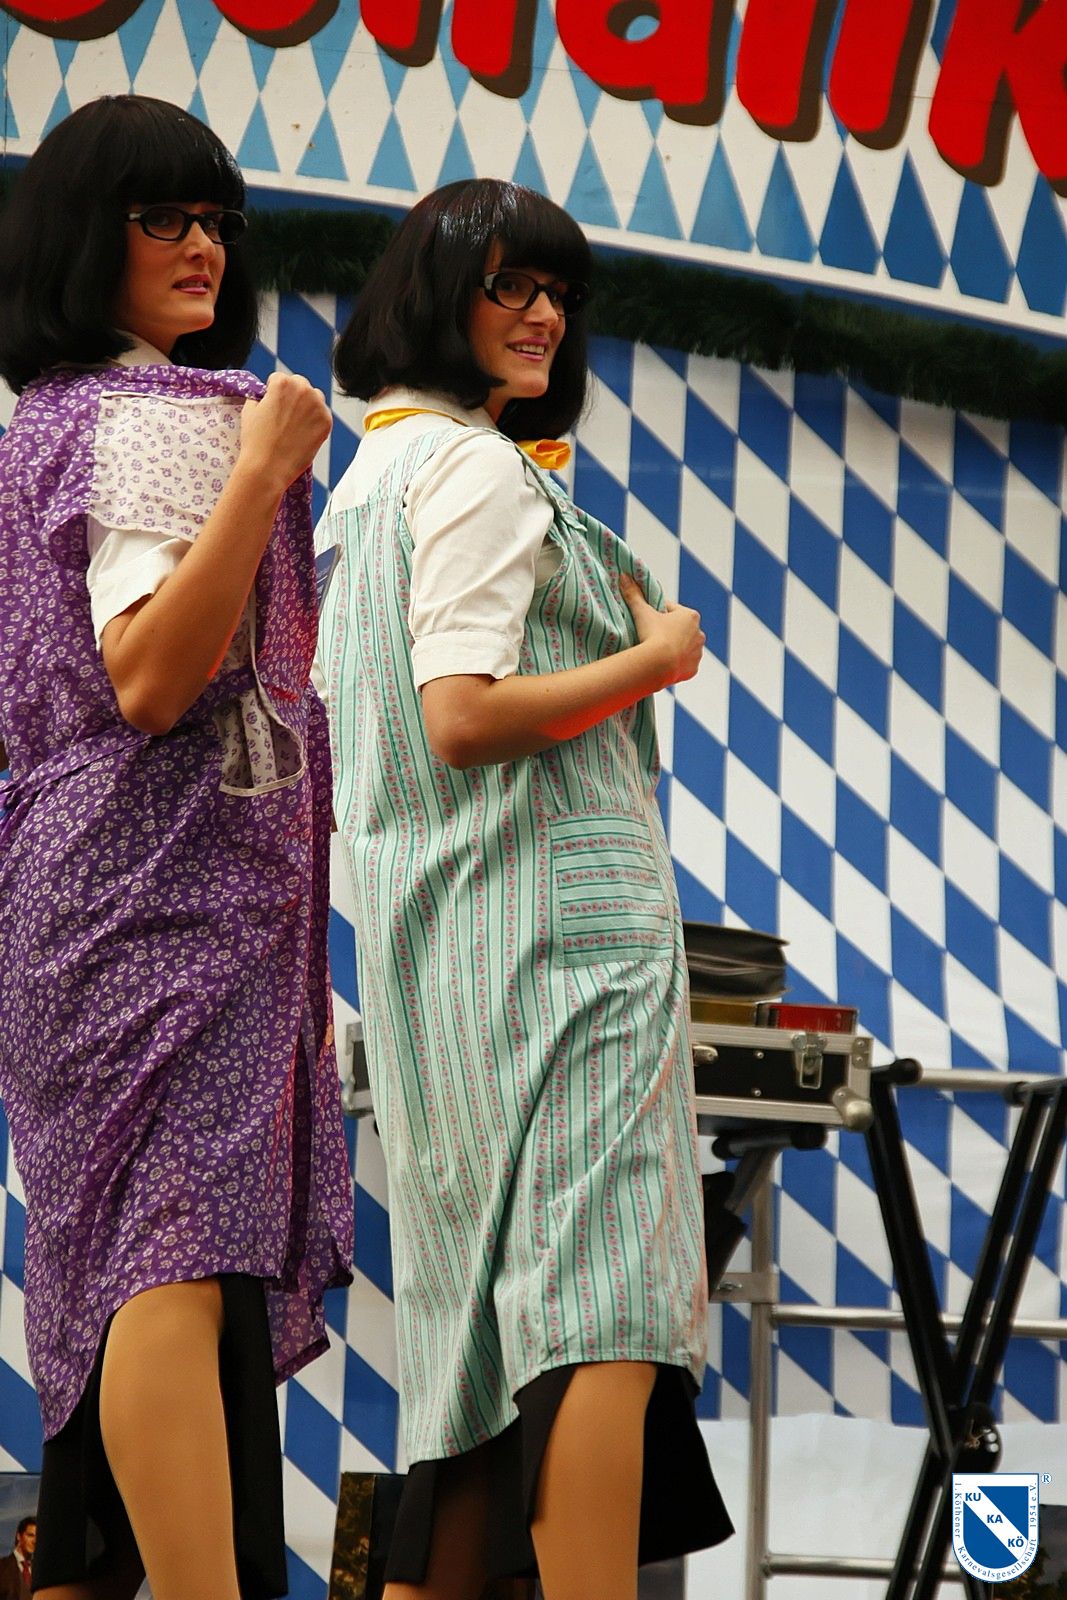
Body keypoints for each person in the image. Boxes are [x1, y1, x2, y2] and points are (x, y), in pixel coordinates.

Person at [316, 177, 732, 1600]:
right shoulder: (479, 471)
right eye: (509, 283)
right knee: (599, 1309)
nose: (543, 312)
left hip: (438, 950)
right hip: (562, 945)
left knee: (472, 1357)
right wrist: (653, 658)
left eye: (556, 289)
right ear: (436, 295)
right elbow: (461, 715)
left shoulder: (362, 484)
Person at [0, 95, 353, 1600]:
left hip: (103, 878)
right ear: (90, 237)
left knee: (146, 1251)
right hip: (156, 883)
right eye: (163, 218)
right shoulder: (155, 417)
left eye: (215, 218)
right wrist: (261, 471)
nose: (202, 245)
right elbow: (150, 678)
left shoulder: (51, 420)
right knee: (170, 1250)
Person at [0, 1518, 36, 1599]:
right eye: (30, 1535)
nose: (35, 1541)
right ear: (19, 1536)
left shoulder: (40, 1570)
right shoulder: (2, 1567)